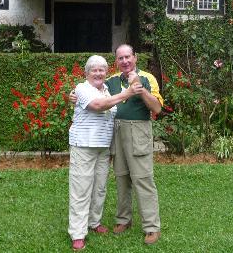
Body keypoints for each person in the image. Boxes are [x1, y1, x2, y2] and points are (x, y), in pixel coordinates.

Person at [70, 44, 163, 245]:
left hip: (138, 130)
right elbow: (92, 95)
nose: (125, 61)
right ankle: (123, 220)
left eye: (128, 57)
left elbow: (156, 108)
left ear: (135, 57)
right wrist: (74, 97)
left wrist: (139, 89)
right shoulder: (110, 81)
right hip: (115, 132)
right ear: (116, 62)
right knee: (121, 178)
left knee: (142, 178)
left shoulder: (147, 78)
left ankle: (151, 226)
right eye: (120, 58)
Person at [68, 54, 142, 251]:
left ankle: (94, 222)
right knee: (81, 189)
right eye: (94, 70)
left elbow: (109, 105)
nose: (98, 73)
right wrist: (127, 93)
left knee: (99, 188)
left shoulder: (107, 90)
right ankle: (77, 233)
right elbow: (98, 106)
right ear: (87, 73)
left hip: (103, 148)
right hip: (83, 146)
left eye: (102, 69)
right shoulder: (82, 89)